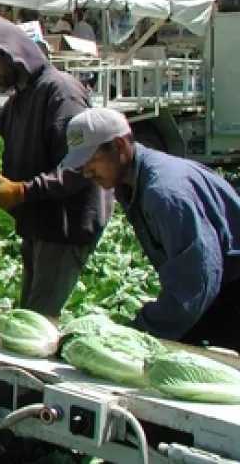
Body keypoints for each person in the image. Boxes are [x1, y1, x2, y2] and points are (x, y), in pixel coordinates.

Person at [62, 108, 240, 351]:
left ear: (119, 145)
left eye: (91, 160)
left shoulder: (163, 193)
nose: (86, 172)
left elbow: (195, 279)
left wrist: (140, 333)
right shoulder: (132, 182)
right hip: (218, 289)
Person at [0, 16, 111, 317]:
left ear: (13, 54)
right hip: (37, 224)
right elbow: (2, 159)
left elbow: (80, 166)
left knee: (38, 320)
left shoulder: (61, 91)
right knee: (29, 313)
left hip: (64, 227)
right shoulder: (15, 104)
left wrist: (22, 192)